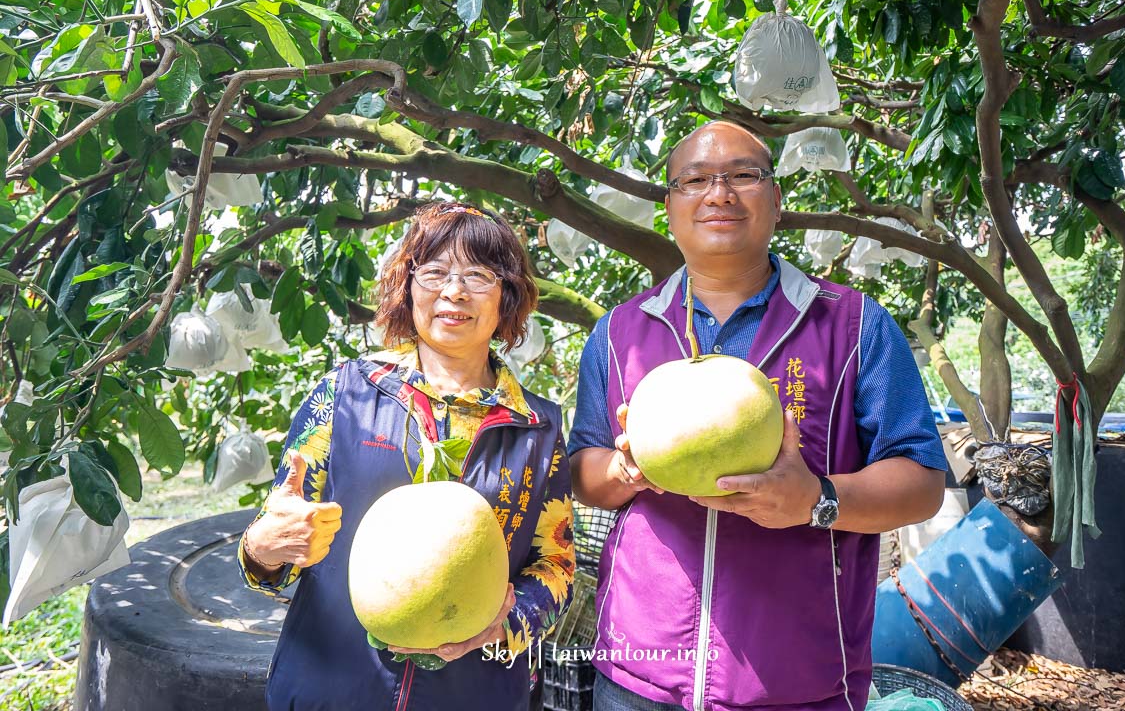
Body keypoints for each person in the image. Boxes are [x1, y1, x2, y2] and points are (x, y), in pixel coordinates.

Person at [569, 121, 948, 711]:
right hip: (639, 675)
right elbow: (584, 472)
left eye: (743, 175)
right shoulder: (619, 333)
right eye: (694, 180)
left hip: (801, 680)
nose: (719, 193)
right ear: (669, 208)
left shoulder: (854, 326)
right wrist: (627, 471)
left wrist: (816, 499)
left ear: (775, 200)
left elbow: (922, 484)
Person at [238, 201, 575, 711]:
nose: (454, 291)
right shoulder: (345, 392)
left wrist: (500, 624)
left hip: (474, 694)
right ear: (409, 287)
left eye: (478, 275)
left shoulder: (539, 427)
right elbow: (282, 535)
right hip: (332, 687)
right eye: (435, 272)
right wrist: (263, 548)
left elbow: (557, 565)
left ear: (507, 296)